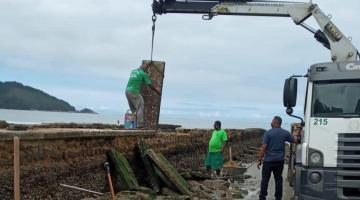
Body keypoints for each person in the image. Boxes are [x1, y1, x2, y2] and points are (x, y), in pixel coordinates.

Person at [257, 116, 300, 200]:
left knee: (265, 180)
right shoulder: (285, 133)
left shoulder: (268, 133)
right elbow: (295, 140)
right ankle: (278, 198)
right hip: (279, 161)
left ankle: (262, 197)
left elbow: (264, 147)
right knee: (278, 180)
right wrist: (298, 134)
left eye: (272, 121)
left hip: (268, 161)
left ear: (275, 122)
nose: (271, 122)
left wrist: (259, 159)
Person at [125, 63, 159, 128]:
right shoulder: (143, 73)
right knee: (140, 106)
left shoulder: (133, 71)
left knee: (134, 110)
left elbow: (136, 80)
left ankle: (132, 125)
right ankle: (139, 124)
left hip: (127, 91)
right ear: (144, 69)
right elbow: (150, 85)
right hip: (134, 91)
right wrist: (157, 92)